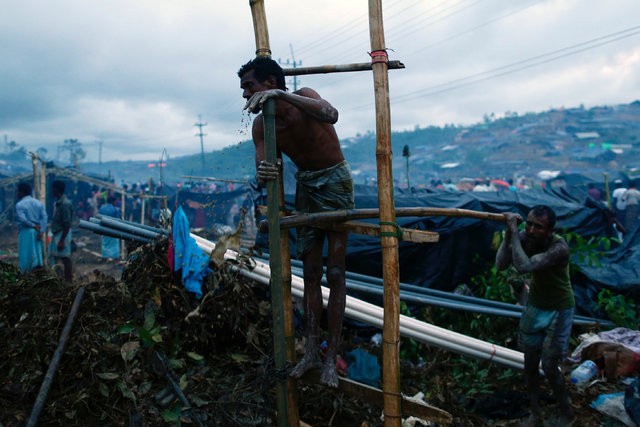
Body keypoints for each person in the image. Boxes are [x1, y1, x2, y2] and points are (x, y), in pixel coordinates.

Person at [238, 56, 354, 388]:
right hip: (306, 186)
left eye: (250, 87)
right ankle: (311, 353)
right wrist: (264, 172)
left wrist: (282, 97)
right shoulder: (263, 125)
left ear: (269, 84)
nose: (246, 95)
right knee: (312, 272)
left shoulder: (304, 96)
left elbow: (332, 115)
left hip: (334, 182)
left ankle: (332, 355)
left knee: (335, 271)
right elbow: (263, 170)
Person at [495, 205, 575, 426]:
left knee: (549, 365)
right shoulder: (525, 237)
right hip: (535, 306)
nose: (530, 229)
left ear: (549, 230)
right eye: (528, 223)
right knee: (529, 364)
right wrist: (509, 235)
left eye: (538, 227)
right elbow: (501, 264)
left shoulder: (559, 248)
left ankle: (566, 413)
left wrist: (514, 232)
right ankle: (536, 413)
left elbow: (524, 266)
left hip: (559, 309)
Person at [15, 182, 48, 273]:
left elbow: (22, 219)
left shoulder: (20, 205)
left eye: (17, 191)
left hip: (26, 232)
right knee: (37, 254)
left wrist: (33, 225)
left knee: (25, 255)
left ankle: (26, 274)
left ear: (22, 192)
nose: (17, 193)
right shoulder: (38, 203)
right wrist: (41, 231)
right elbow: (44, 217)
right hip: (37, 232)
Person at [49, 180, 74, 283]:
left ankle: (68, 281)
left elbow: (67, 223)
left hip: (63, 233)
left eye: (52, 189)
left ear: (56, 189)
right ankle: (59, 279)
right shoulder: (58, 203)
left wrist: (62, 240)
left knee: (65, 258)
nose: (51, 191)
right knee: (56, 257)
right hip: (58, 233)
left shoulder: (65, 204)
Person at [98, 195, 121, 260]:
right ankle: (114, 257)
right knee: (113, 244)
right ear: (113, 201)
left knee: (105, 243)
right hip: (113, 229)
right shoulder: (115, 209)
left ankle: (105, 256)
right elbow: (118, 220)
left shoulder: (101, 208)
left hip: (103, 228)